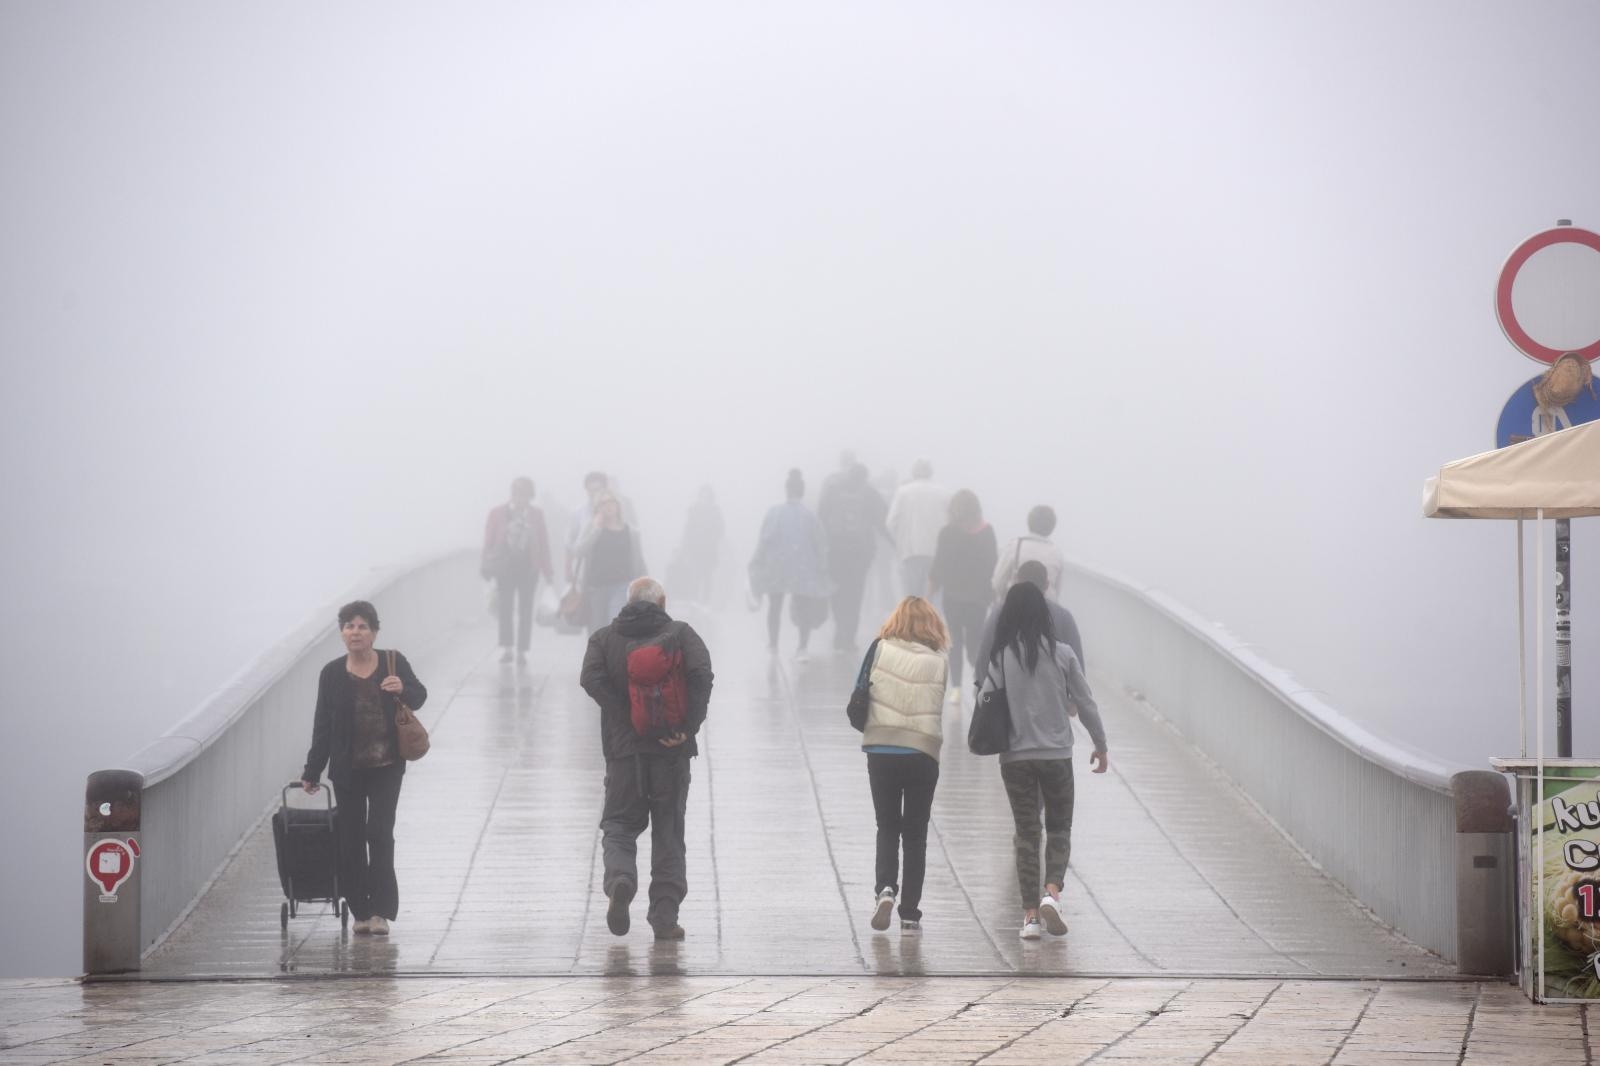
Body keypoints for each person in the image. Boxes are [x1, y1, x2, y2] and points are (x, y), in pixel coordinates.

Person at [580, 577, 714, 940]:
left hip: (624, 754)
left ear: (627, 601)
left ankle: (621, 878)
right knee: (669, 832)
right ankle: (664, 918)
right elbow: (703, 676)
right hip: (671, 753)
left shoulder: (604, 638)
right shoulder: (682, 634)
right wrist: (687, 727)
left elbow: (589, 678)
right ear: (663, 601)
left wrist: (624, 712)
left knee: (620, 826)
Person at [980, 582, 1107, 941]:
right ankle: (1052, 892)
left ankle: (1031, 917)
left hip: (1016, 759)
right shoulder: (1064, 654)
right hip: (1056, 757)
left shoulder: (1002, 656)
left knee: (1026, 833)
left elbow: (985, 702)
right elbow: (1085, 701)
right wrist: (1100, 744)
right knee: (1059, 828)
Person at [300, 600, 427, 937]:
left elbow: (419, 695)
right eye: (349, 626)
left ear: (374, 632)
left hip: (387, 766)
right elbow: (322, 726)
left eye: (362, 626)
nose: (355, 632)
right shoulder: (331, 674)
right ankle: (361, 911)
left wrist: (403, 688)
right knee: (351, 839)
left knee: (380, 834)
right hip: (348, 770)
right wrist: (312, 771)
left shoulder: (392, 662)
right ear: (342, 633)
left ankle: (382, 911)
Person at [859, 597, 949, 934]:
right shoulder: (939, 660)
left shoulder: (878, 648)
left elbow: (860, 688)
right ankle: (910, 912)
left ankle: (885, 889)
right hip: (922, 751)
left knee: (887, 825)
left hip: (881, 749)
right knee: (915, 834)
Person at [749, 469, 831, 657]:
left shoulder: (774, 513)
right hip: (803, 569)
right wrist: (822, 567)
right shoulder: (810, 516)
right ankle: (802, 647)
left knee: (775, 606)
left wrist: (756, 561)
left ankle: (773, 644)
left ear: (786, 491)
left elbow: (764, 539)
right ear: (801, 492)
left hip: (776, 568)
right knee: (803, 609)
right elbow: (821, 543)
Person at [928, 489, 998, 701]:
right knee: (975, 642)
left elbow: (938, 566)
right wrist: (994, 595)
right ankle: (980, 684)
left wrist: (929, 596)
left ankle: (956, 689)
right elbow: (993, 564)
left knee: (955, 641)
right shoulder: (987, 532)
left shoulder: (947, 532)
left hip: (953, 596)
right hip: (979, 597)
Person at [481, 477, 555, 664]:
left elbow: (543, 542)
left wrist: (548, 571)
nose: (520, 499)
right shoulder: (498, 513)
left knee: (525, 609)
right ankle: (507, 648)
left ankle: (522, 650)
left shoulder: (536, 514)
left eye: (524, 495)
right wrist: (485, 565)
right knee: (505, 608)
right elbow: (488, 541)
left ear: (530, 496)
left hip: (529, 568)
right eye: (517, 494)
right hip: (504, 568)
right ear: (512, 494)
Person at [819, 462, 889, 652]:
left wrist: (819, 547)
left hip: (835, 551)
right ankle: (849, 636)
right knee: (855, 593)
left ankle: (840, 631)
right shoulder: (869, 494)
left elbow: (821, 518)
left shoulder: (832, 491)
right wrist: (896, 543)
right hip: (861, 554)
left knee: (837, 592)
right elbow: (883, 522)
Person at [975, 559, 1085, 680]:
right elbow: (1077, 667)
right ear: (1047, 585)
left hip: (1006, 694)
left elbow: (984, 656)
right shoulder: (1064, 618)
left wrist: (984, 692)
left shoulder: (1000, 613)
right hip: (1052, 695)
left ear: (1016, 580)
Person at [573, 492, 647, 635]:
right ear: (598, 508)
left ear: (618, 506)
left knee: (616, 625)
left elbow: (639, 560)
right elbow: (578, 551)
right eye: (603, 503)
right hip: (597, 588)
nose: (608, 506)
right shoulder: (592, 527)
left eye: (611, 502)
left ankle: (615, 656)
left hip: (622, 586)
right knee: (598, 631)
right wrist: (597, 530)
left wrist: (645, 586)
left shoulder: (631, 532)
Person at [885, 460, 950, 598]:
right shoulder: (944, 493)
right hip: (936, 553)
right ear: (931, 472)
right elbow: (950, 523)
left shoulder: (903, 492)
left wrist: (898, 542)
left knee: (912, 597)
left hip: (910, 552)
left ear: (914, 472)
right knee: (932, 596)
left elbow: (890, 522)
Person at [992, 505, 1068, 602]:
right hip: (1044, 611)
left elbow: (997, 582)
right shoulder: (1057, 554)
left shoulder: (1014, 547)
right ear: (1051, 527)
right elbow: (1056, 591)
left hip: (1014, 608)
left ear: (1029, 522)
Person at [671, 485, 725, 606]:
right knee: (694, 574)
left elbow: (720, 530)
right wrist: (684, 547)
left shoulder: (715, 511)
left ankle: (705, 602)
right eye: (702, 495)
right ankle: (694, 600)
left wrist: (711, 538)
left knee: (707, 576)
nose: (704, 498)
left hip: (709, 551)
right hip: (694, 550)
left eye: (707, 495)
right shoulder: (693, 510)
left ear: (711, 497)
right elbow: (687, 529)